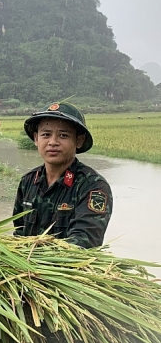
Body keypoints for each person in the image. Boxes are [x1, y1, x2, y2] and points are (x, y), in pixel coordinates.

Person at [13, 102, 112, 248]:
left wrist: (35, 256)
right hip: (26, 269)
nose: (53, 142)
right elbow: (19, 233)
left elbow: (85, 242)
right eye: (46, 134)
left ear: (78, 141)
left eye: (63, 135)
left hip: (68, 269)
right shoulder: (28, 182)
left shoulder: (93, 186)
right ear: (36, 138)